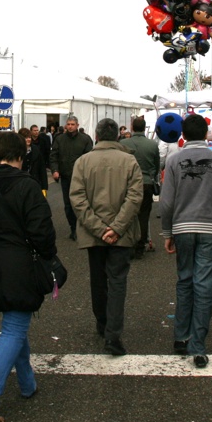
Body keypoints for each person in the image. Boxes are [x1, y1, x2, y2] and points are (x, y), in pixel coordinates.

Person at [0, 132, 56, 422]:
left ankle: (27, 384)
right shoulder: (28, 186)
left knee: (14, 323)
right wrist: (47, 256)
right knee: (16, 326)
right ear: (22, 155)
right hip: (19, 263)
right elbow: (42, 232)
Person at [159, 114, 212, 368]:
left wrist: (167, 233)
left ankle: (181, 336)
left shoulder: (173, 160)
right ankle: (198, 346)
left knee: (185, 280)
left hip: (182, 228)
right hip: (210, 229)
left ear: (183, 134)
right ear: (206, 134)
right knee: (204, 285)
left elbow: (167, 202)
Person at [70, 118, 142, 356]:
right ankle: (113, 334)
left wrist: (99, 229)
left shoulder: (83, 162)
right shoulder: (130, 161)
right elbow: (135, 197)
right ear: (117, 136)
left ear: (97, 136)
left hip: (94, 233)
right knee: (117, 281)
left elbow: (77, 199)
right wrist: (117, 227)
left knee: (98, 280)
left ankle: (102, 323)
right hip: (121, 234)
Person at [119, 116, 160, 259]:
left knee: (128, 214)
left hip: (128, 183)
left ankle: (128, 242)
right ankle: (141, 245)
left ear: (132, 127)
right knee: (144, 215)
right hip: (146, 182)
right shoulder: (153, 145)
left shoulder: (123, 143)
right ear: (144, 128)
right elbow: (156, 166)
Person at [50, 115, 94, 240]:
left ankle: (84, 226)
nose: (70, 126)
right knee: (68, 205)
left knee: (82, 203)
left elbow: (90, 158)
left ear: (77, 125)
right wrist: (55, 170)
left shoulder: (85, 139)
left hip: (81, 178)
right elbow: (53, 156)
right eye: (68, 124)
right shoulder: (59, 139)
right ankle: (73, 228)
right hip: (65, 177)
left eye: (72, 124)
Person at [18, 127, 48, 195]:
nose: (28, 139)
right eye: (25, 138)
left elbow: (42, 169)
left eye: (29, 137)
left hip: (34, 182)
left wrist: (44, 187)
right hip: (20, 184)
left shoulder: (36, 150)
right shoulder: (15, 152)